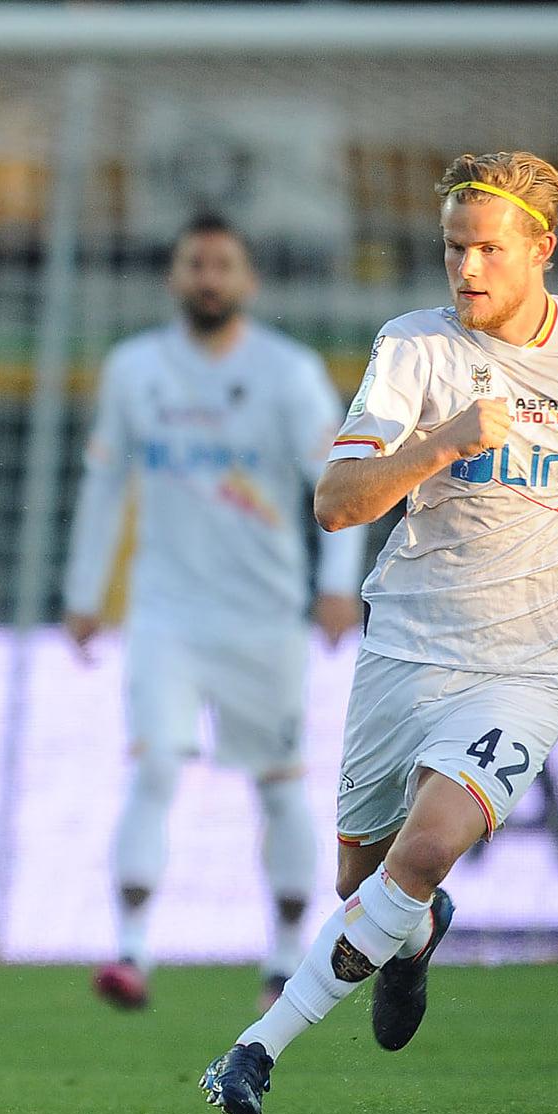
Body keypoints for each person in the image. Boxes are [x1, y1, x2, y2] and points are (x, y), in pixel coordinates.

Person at [200, 151, 558, 1114]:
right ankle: (415, 936)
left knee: (425, 848)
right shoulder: (413, 351)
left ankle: (255, 1049)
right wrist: (440, 440)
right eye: (450, 248)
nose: (464, 269)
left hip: (532, 664)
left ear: (539, 250)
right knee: (363, 878)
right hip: (409, 649)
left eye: (485, 250)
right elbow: (336, 505)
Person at [62, 213, 365, 1014]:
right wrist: (84, 594)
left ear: (246, 281)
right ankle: (128, 950)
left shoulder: (289, 372)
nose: (207, 277)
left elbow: (340, 482)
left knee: (275, 783)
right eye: (193, 263)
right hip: (164, 610)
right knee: (155, 764)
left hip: (264, 614)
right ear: (174, 277)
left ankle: (279, 953)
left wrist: (338, 582)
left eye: (221, 264)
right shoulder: (133, 368)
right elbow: (104, 484)